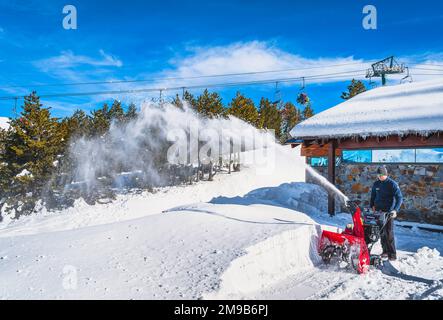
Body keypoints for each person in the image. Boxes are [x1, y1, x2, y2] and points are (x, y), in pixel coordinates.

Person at [370, 165, 403, 261]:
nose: (379, 177)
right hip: (378, 212)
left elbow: (399, 198)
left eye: (381, 175)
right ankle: (385, 251)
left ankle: (392, 255)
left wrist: (395, 210)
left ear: (385, 174)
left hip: (388, 213)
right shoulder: (376, 184)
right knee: (381, 233)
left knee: (389, 234)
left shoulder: (392, 184)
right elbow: (373, 196)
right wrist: (372, 205)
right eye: (378, 175)